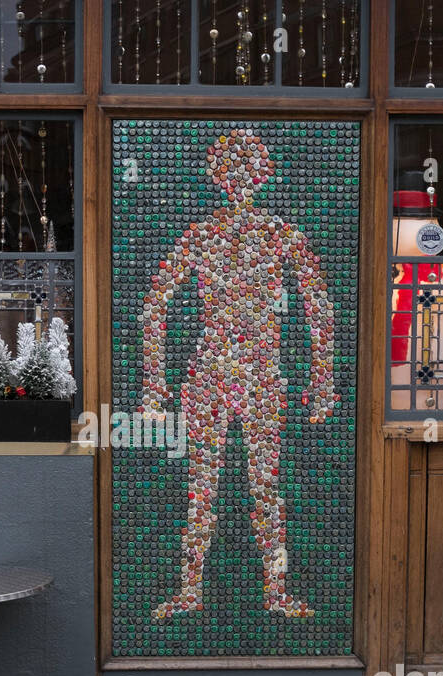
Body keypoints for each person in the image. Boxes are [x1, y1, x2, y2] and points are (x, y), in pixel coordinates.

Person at [138, 129, 337, 620]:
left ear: (262, 176)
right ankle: (191, 590)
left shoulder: (279, 235)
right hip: (211, 370)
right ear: (219, 177)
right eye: (232, 169)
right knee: (202, 482)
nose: (242, 179)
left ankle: (274, 592)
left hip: (261, 374)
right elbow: (154, 303)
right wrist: (153, 386)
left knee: (265, 484)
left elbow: (319, 305)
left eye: (250, 168)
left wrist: (323, 377)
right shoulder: (205, 235)